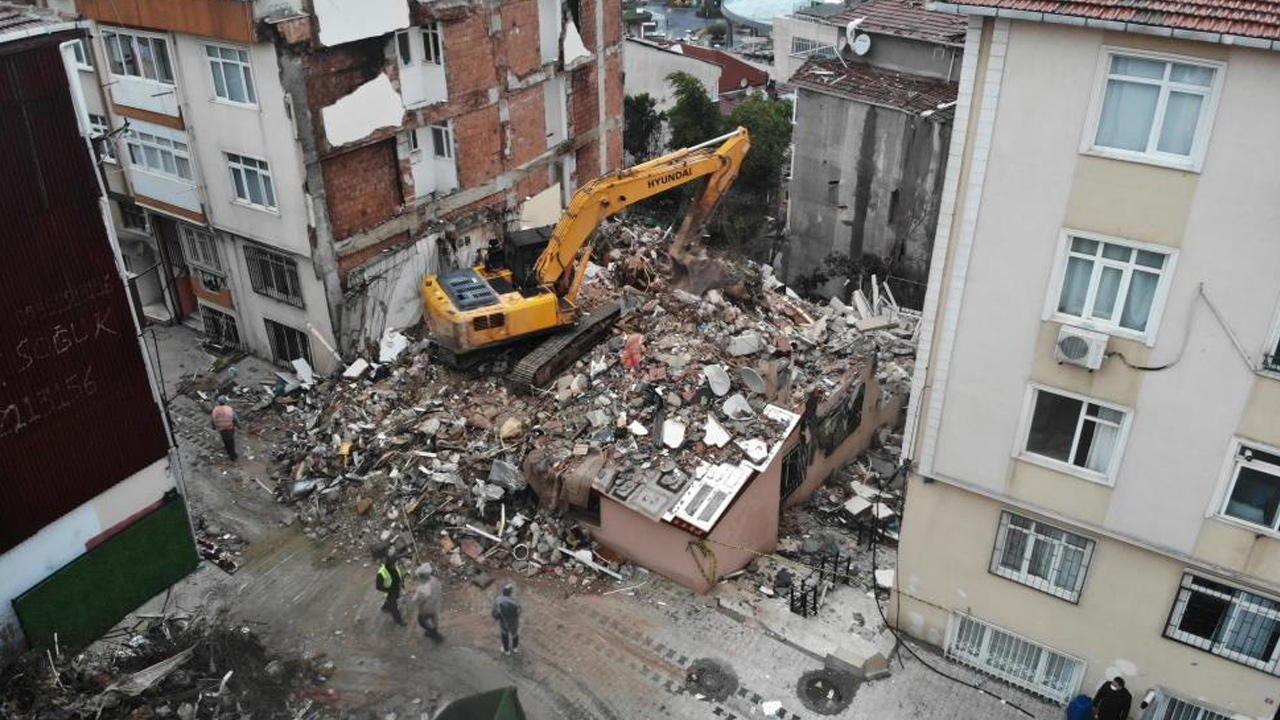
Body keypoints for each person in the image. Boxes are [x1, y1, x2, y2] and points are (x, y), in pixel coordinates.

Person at [412, 562, 443, 641]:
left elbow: (415, 601)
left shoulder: (421, 589)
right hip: (435, 605)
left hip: (426, 610)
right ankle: (435, 629)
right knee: (434, 619)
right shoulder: (434, 580)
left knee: (422, 622)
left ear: (421, 577)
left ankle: (433, 633)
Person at [375, 552, 407, 626]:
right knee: (394, 608)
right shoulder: (381, 573)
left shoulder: (394, 567)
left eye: (394, 564)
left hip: (397, 589)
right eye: (393, 564)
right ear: (388, 565)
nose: (395, 565)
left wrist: (402, 584)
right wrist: (389, 590)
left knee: (393, 601)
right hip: (390, 593)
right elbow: (378, 587)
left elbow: (399, 575)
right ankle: (399, 620)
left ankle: (385, 607)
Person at [492, 583, 521, 654]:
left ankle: (506, 650)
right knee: (515, 634)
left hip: (503, 622)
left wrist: (497, 617)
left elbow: (495, 612)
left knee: (504, 634)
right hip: (514, 623)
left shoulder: (498, 600)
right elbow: (519, 611)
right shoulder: (515, 600)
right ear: (510, 592)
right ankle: (515, 648)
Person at [210, 396, 241, 461]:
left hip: (221, 428)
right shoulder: (229, 409)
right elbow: (235, 419)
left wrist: (214, 427)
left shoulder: (215, 410)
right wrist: (238, 426)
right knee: (231, 441)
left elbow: (213, 419)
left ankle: (229, 452)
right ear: (225, 402)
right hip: (230, 427)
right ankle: (233, 455)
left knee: (225, 440)